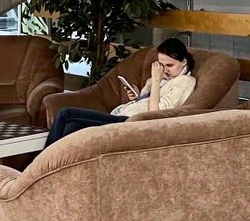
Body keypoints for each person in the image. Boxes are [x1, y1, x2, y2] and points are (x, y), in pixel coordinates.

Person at [44, 38, 197, 146]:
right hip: (119, 115)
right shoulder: (163, 79)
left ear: (184, 62)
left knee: (65, 113)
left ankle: (39, 167)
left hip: (130, 123)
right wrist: (137, 96)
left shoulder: (184, 82)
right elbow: (147, 102)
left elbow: (154, 114)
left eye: (170, 65)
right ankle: (57, 173)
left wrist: (156, 80)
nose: (165, 70)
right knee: (72, 127)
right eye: (161, 65)